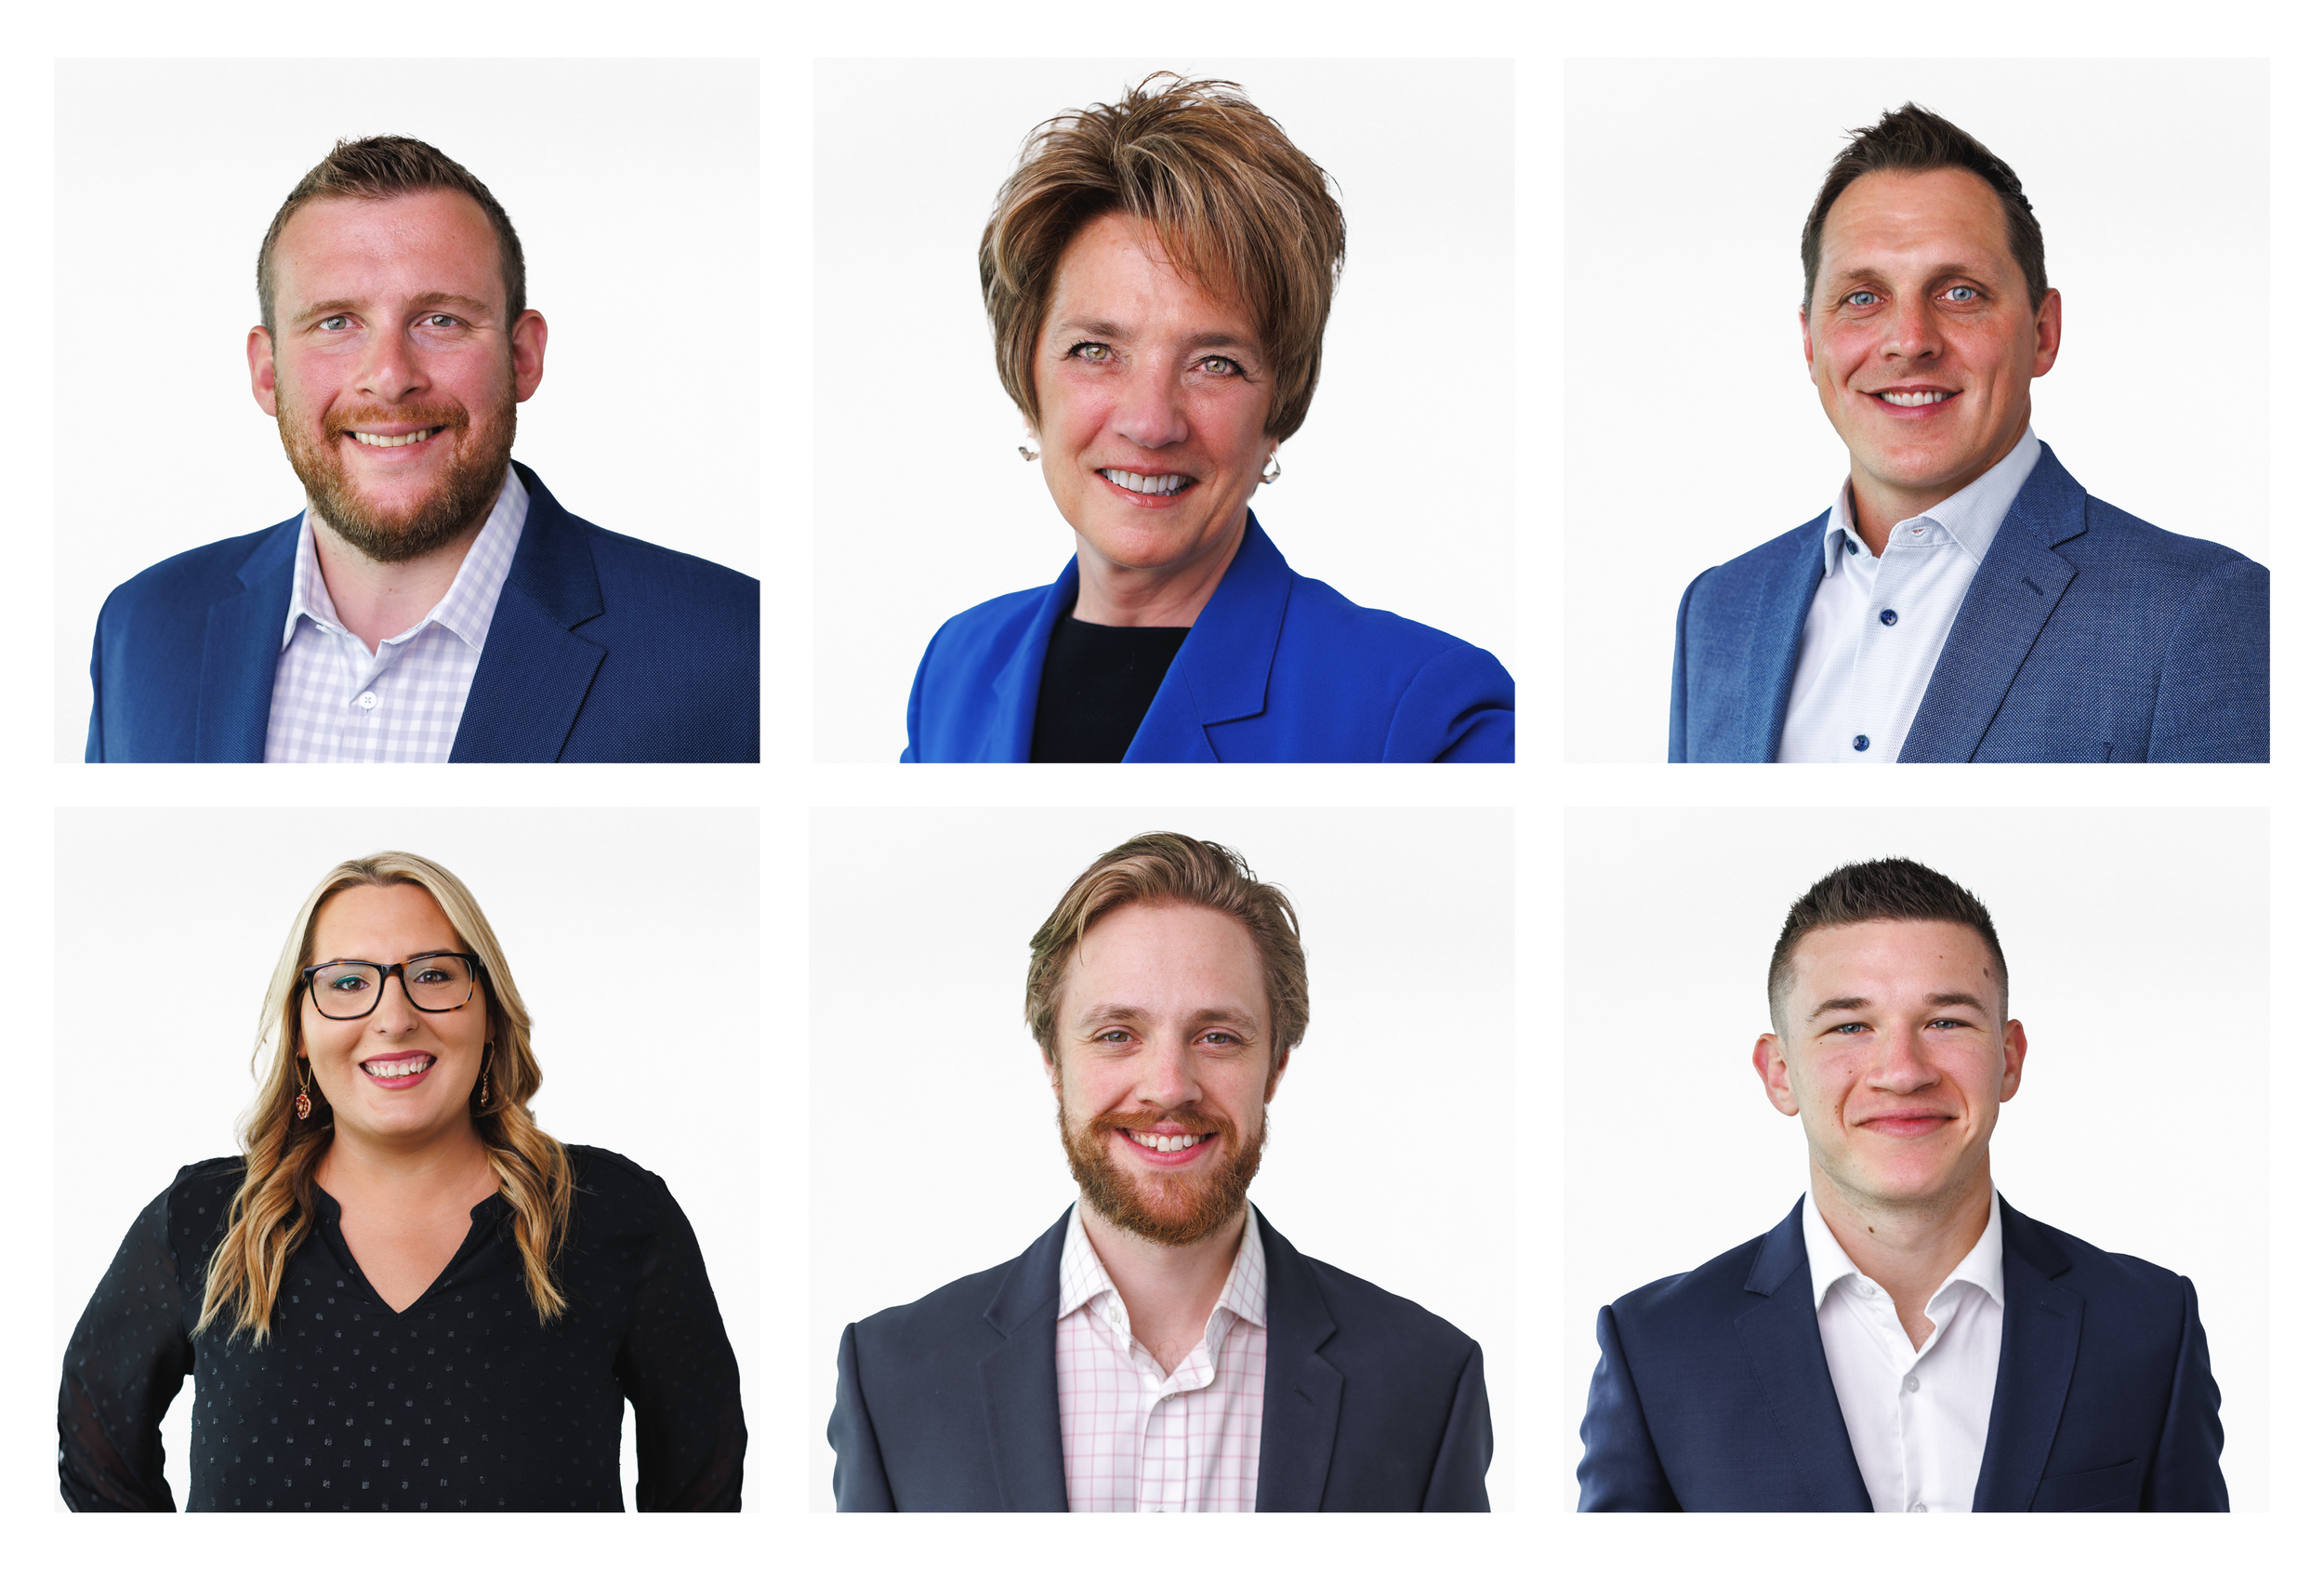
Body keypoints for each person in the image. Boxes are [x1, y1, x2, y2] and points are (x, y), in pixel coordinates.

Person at [58, 852, 746, 1511]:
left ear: (488, 1010)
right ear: (300, 1027)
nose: (394, 1017)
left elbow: (701, 1481)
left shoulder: (616, 1214)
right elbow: (95, 1433)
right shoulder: (204, 1219)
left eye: (434, 974)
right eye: (349, 982)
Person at [829, 833, 1492, 1511]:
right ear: (1053, 1062)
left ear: (1278, 1064)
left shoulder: (1427, 1381)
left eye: (1218, 1037)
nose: (1169, 1086)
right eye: (1118, 1034)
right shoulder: (892, 1378)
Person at [86, 138, 760, 772]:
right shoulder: (142, 631)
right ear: (267, 372)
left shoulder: (736, 645)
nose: (390, 375)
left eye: (440, 320)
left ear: (523, 357)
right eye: (336, 322)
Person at [903, 76, 1514, 772]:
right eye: (1095, 351)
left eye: (1215, 363)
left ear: (1278, 406)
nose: (1150, 421)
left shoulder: (1425, 712)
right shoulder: (954, 669)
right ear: (1027, 379)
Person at [1578, 858, 2226, 1513]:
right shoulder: (1656, 1347)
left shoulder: (2148, 1325)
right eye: (1850, 1025)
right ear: (1779, 1073)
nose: (1903, 1071)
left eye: (1945, 1021)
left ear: (2009, 1059)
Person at [1668, 105, 2267, 772]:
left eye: (1959, 292)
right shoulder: (1718, 613)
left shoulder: (2202, 614)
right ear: (1810, 342)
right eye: (1863, 298)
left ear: (2043, 332)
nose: (1910, 341)